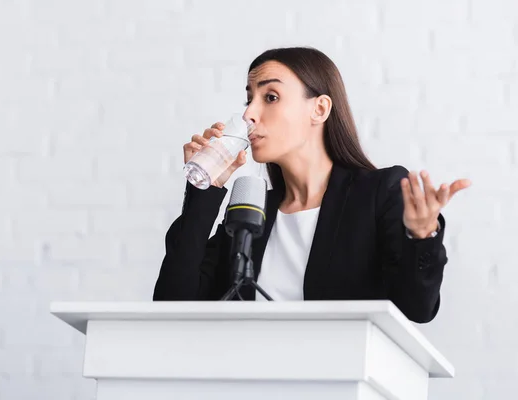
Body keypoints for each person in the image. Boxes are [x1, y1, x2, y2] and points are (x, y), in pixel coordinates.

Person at [153, 46, 471, 323]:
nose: (249, 114)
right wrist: (203, 189)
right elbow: (172, 304)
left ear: (319, 109)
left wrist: (420, 236)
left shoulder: (378, 193)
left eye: (270, 97)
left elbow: (417, 308)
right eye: (248, 99)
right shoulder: (250, 211)